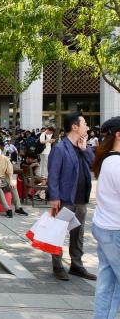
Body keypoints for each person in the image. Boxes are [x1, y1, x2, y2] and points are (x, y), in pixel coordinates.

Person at [47, 112, 97, 281]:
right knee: (59, 233)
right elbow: (53, 175)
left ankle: (76, 265)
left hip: (81, 198)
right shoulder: (60, 148)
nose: (87, 127)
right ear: (75, 127)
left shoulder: (83, 146)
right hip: (65, 199)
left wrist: (85, 150)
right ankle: (58, 265)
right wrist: (54, 197)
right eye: (84, 124)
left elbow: (94, 166)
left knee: (78, 233)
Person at [89, 116, 120, 319]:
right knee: (109, 281)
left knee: (108, 281)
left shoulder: (108, 161)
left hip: (106, 227)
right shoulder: (116, 163)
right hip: (114, 230)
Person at [0, 142, 28, 217]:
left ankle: (18, 208)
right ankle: (7, 209)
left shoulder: (5, 159)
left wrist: (11, 181)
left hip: (5, 180)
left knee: (13, 187)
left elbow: (9, 172)